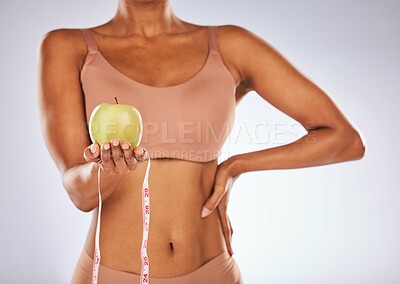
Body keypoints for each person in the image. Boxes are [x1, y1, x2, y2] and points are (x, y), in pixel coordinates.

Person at [37, 0, 366, 283]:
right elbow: (79, 193)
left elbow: (344, 138)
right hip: (111, 274)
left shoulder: (230, 44)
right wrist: (107, 170)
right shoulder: (68, 46)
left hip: (213, 272)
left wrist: (236, 166)